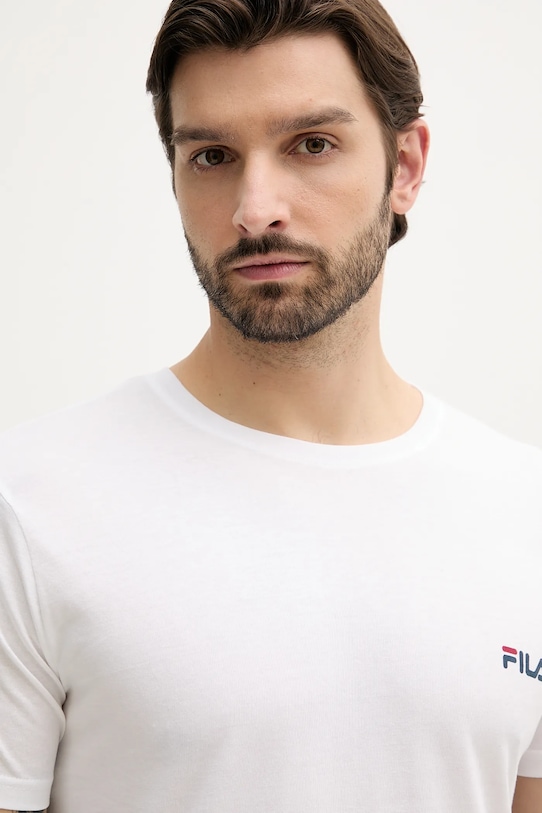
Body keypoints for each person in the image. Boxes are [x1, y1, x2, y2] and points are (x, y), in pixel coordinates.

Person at [0, 0, 541, 810]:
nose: (255, 209)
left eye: (311, 144)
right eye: (212, 156)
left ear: (405, 167)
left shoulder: (525, 512)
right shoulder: (30, 506)